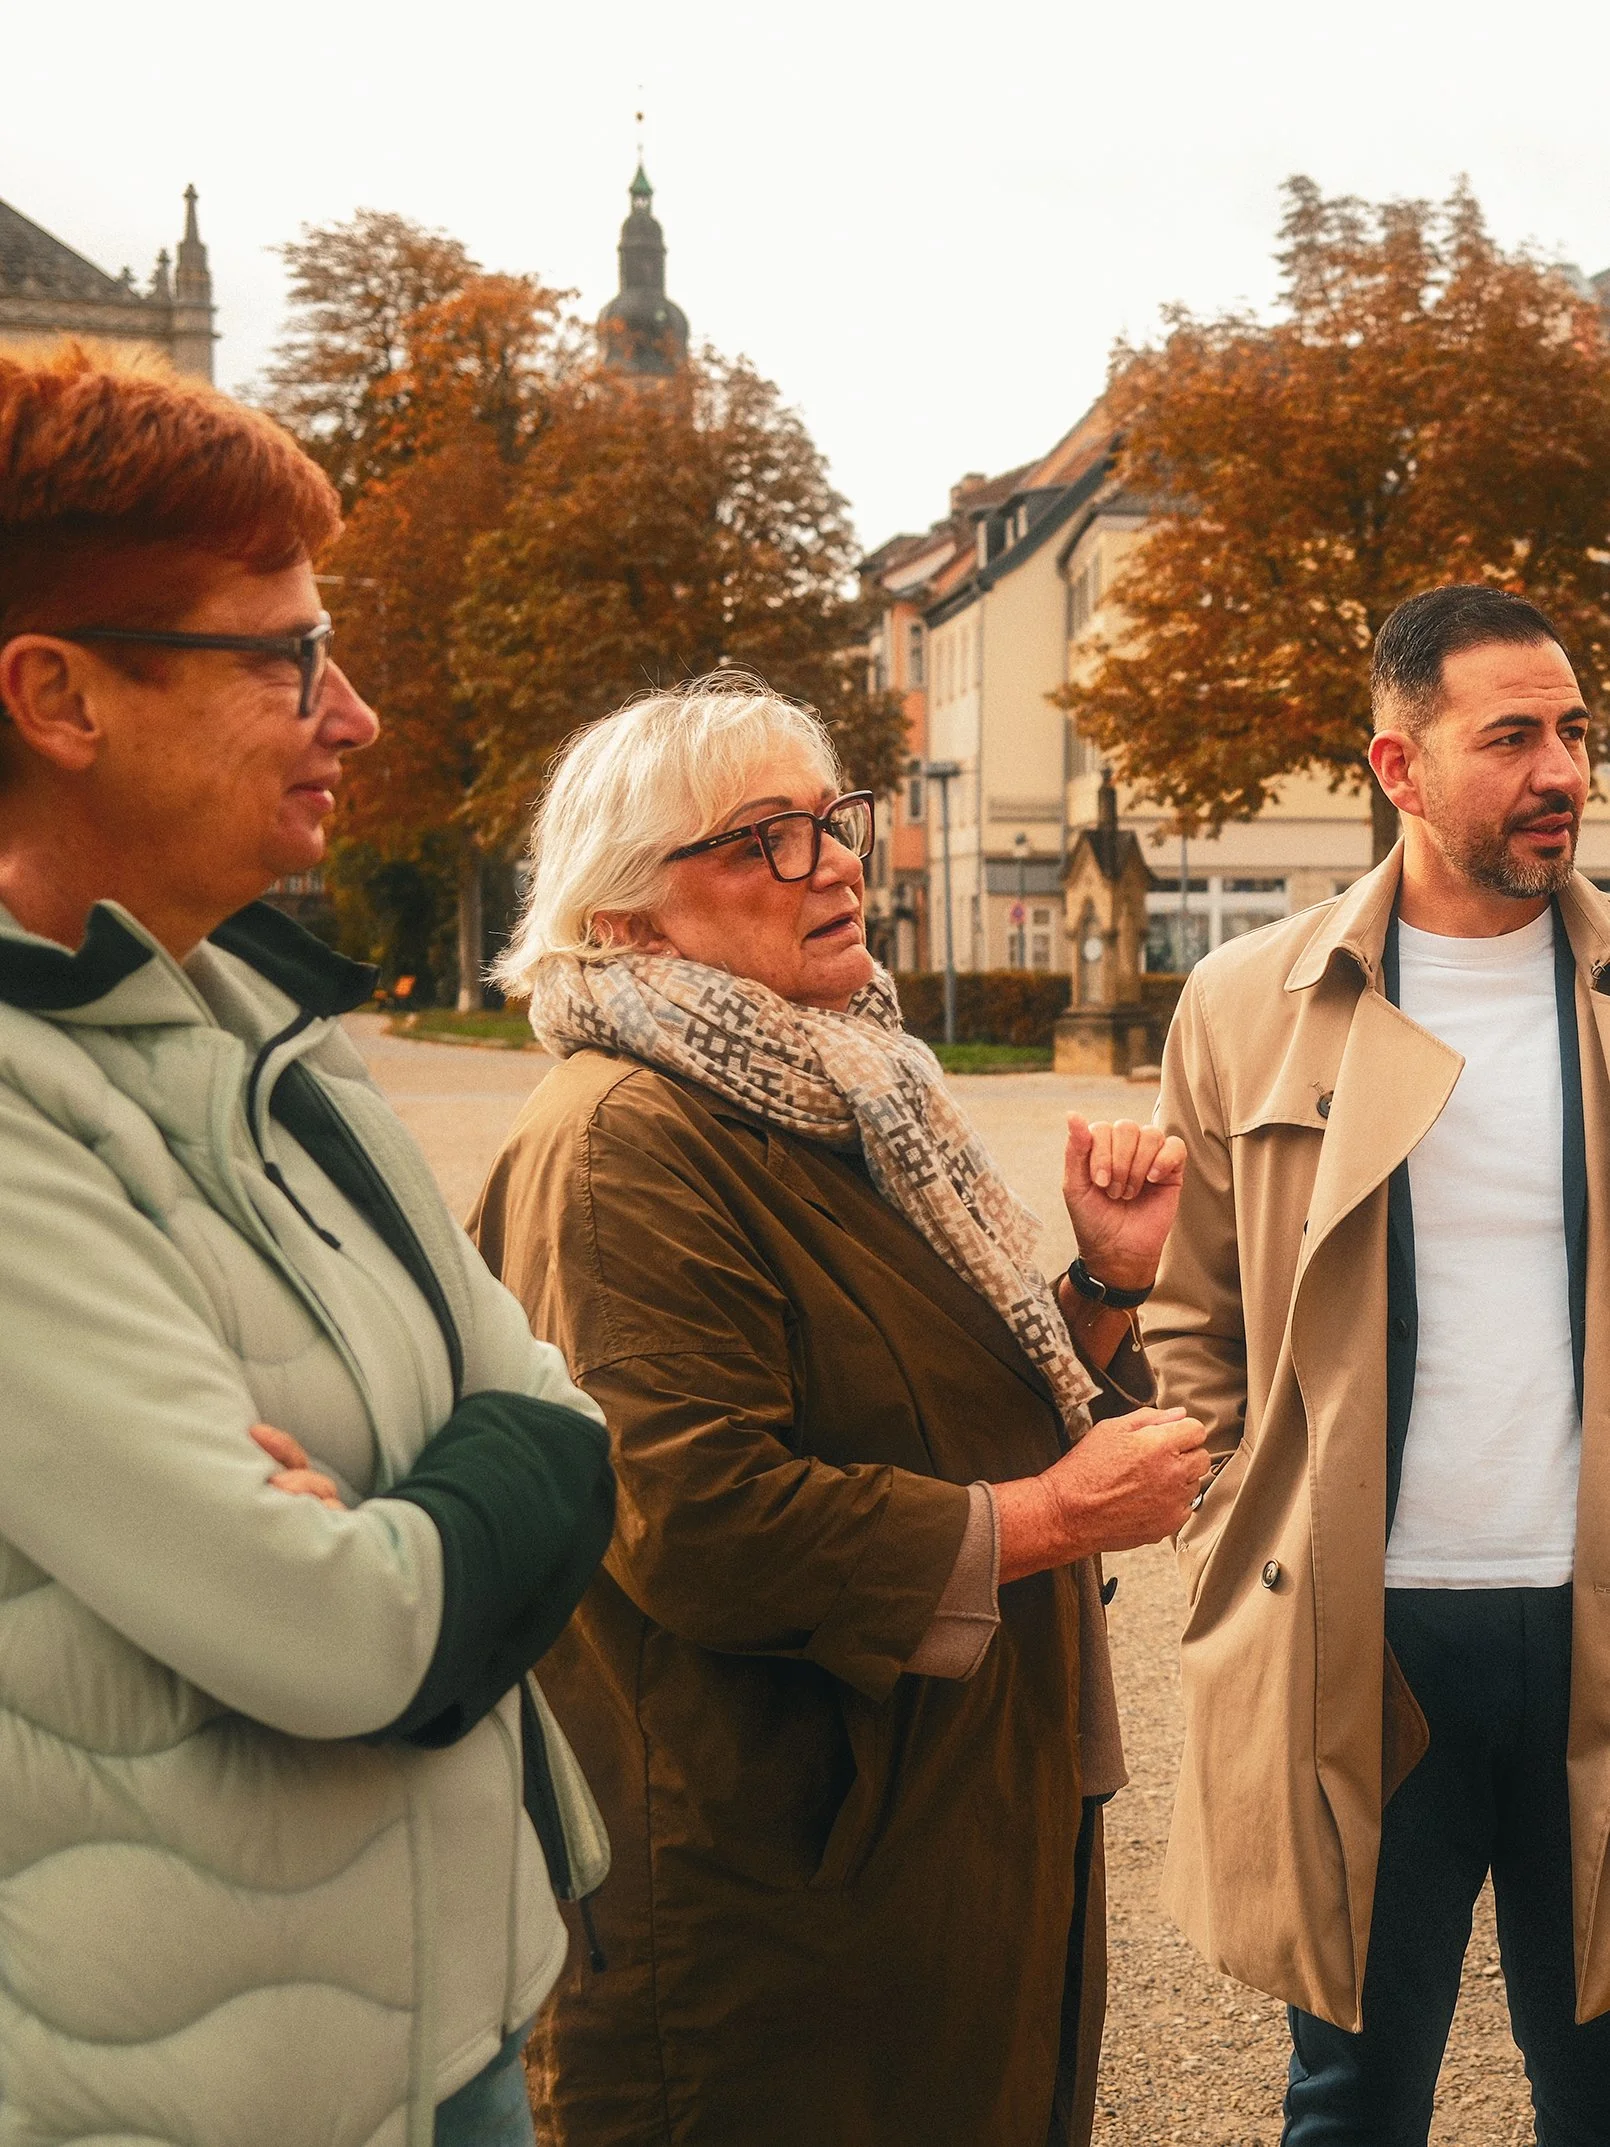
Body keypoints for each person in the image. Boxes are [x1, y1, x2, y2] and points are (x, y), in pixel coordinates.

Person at [0, 345, 616, 2146]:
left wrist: (434, 1491)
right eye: (287, 657)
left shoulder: (258, 1017)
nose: (348, 717)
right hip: (205, 2088)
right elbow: (339, 1634)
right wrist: (454, 1493)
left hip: (442, 2022)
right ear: (56, 694)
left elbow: (561, 1408)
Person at [467, 676, 1210, 2147]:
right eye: (761, 841)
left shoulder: (848, 1090)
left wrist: (1102, 1291)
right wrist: (1055, 1516)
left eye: (831, 820)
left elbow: (922, 1402)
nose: (833, 866)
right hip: (770, 1893)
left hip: (923, 1842)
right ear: (626, 918)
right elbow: (695, 1517)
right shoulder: (627, 1137)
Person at [1149, 584, 1610, 2143]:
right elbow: (1191, 1317)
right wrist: (1236, 1522)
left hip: (1599, 1630)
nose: (1559, 769)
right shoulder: (1243, 1003)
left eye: (1572, 730)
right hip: (1362, 1634)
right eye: (1511, 737)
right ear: (1398, 768)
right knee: (1352, 2095)